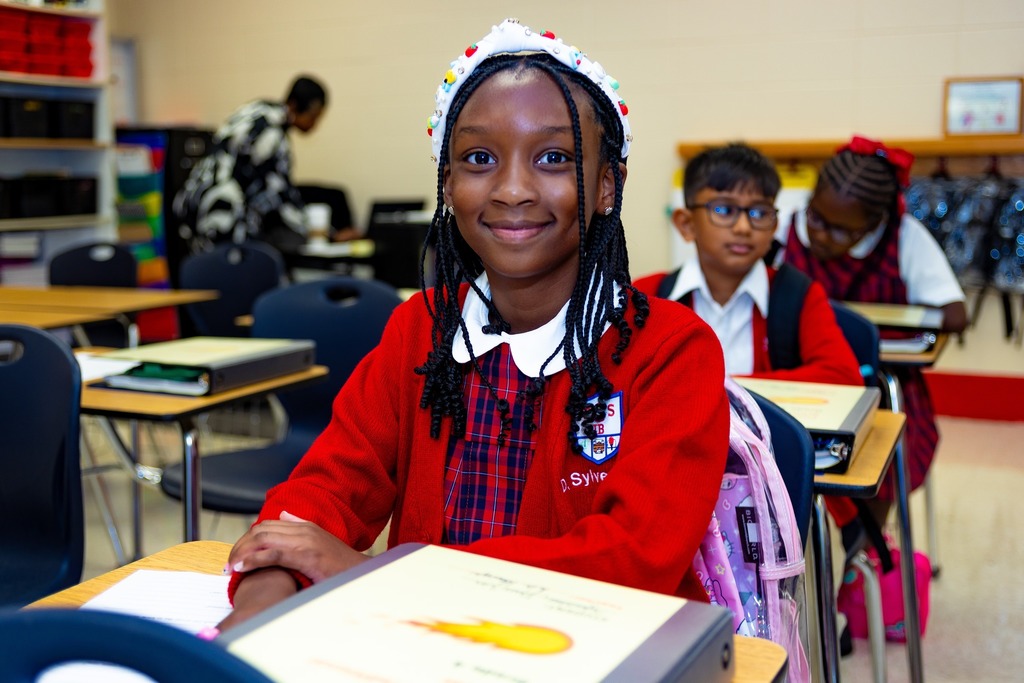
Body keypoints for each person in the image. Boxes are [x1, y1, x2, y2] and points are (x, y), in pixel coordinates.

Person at [218, 19, 730, 630]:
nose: (512, 189)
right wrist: (264, 594)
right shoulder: (421, 329)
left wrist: (380, 573)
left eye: (553, 157)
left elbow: (631, 562)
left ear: (606, 187)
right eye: (479, 158)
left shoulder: (670, 350)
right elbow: (325, 491)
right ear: (447, 183)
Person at [777, 135, 968, 526]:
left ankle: (864, 543)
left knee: (877, 466)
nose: (821, 235)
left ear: (876, 223)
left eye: (842, 231)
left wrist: (868, 319)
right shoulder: (787, 228)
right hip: (802, 376)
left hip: (876, 387)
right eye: (816, 218)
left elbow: (955, 315)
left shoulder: (905, 237)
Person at [635, 143, 862, 386]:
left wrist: (720, 388)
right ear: (686, 224)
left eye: (759, 213)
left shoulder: (799, 294)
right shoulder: (647, 296)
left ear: (774, 226)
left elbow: (844, 378)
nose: (743, 227)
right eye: (724, 209)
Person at [173, 75, 329, 253]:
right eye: (313, 117)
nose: (314, 125)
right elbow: (283, 196)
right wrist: (323, 233)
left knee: (205, 271)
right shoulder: (273, 135)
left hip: (193, 198)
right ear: (294, 105)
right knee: (231, 272)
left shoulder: (256, 109)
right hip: (220, 210)